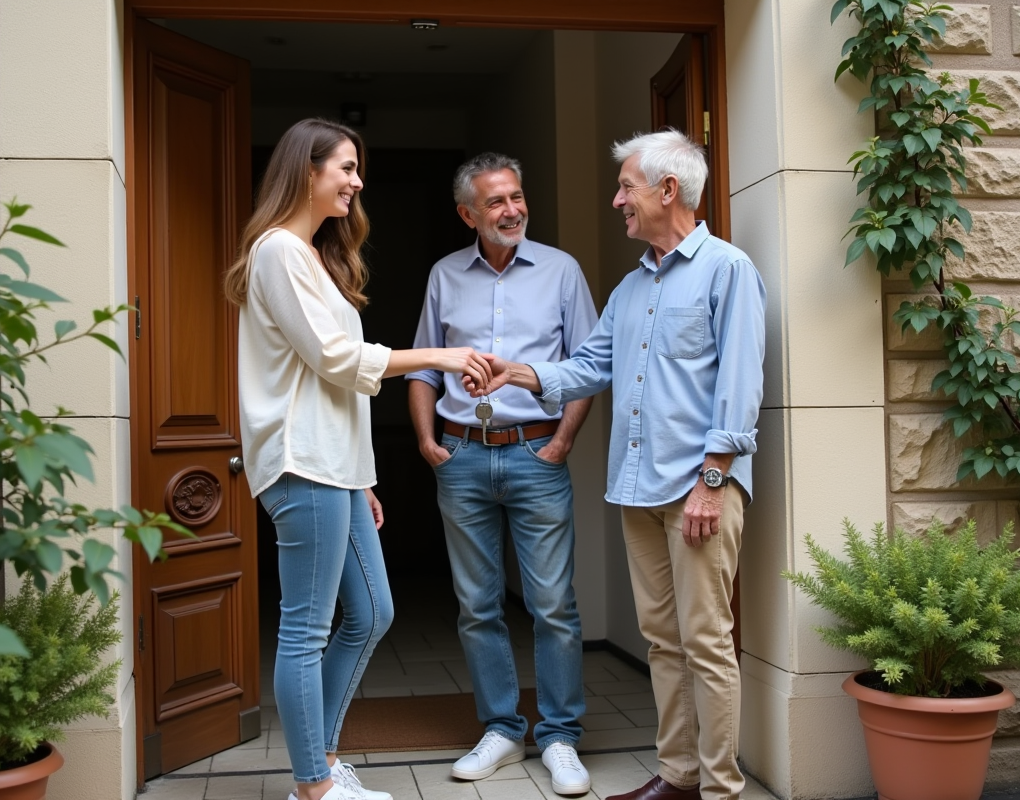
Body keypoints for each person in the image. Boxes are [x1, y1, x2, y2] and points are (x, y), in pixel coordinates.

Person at [470, 130, 766, 800]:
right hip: (639, 490)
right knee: (663, 642)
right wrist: (514, 372)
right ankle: (679, 776)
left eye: (626, 187)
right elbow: (589, 366)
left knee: (707, 643)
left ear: (668, 190)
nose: (616, 201)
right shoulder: (632, 287)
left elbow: (740, 388)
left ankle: (720, 789)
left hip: (699, 489)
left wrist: (712, 482)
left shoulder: (728, 270)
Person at [224, 118, 492, 800]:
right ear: (305, 171)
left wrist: (363, 479)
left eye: (357, 167)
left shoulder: (313, 255)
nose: (356, 180)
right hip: (301, 462)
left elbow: (335, 387)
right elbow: (337, 361)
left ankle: (323, 758)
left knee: (372, 614)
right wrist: (438, 355)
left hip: (335, 467)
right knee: (307, 628)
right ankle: (313, 785)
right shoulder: (278, 252)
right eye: (345, 167)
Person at [406, 153, 599, 796]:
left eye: (517, 196)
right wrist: (429, 442)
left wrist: (565, 438)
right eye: (495, 202)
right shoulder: (444, 275)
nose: (512, 209)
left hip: (536, 453)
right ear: (468, 214)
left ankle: (561, 737)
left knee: (553, 605)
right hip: (461, 457)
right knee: (476, 605)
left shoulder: (562, 271)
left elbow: (587, 364)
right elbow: (422, 369)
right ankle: (500, 730)